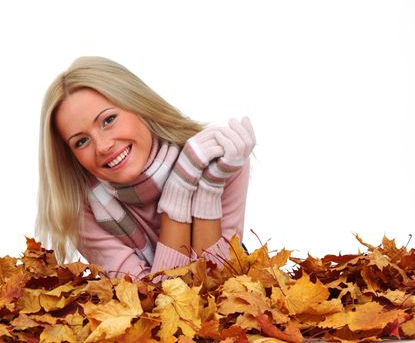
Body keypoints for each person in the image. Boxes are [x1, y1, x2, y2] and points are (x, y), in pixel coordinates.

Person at [36, 56, 255, 279]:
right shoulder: (80, 208)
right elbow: (155, 303)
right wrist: (179, 187)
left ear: (137, 104)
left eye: (108, 120)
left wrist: (209, 188)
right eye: (81, 142)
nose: (102, 146)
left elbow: (221, 287)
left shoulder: (219, 161)